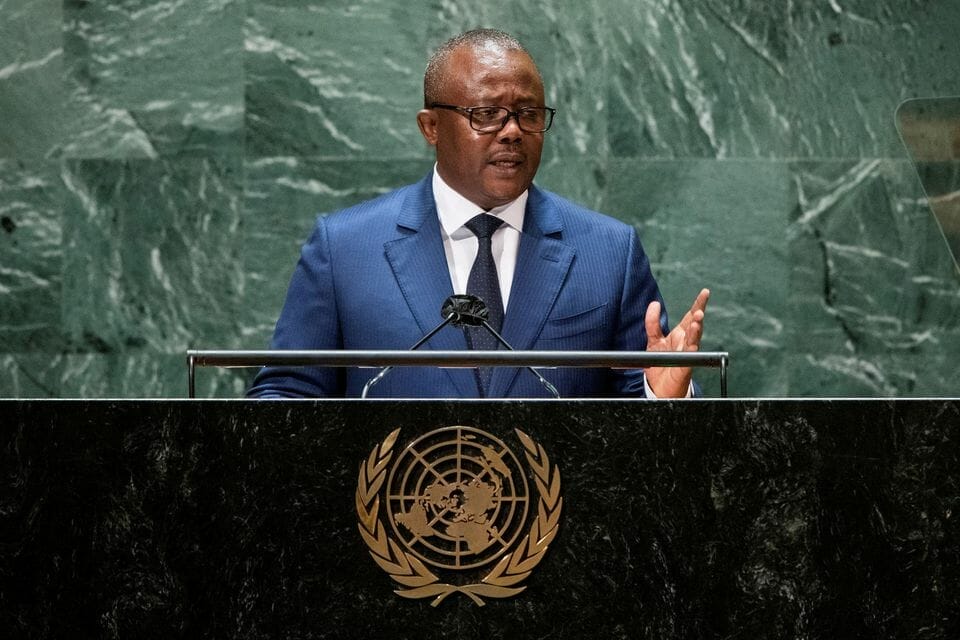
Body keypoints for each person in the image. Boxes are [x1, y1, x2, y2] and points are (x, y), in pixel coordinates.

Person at [247, 28, 709, 399]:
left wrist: (660, 396)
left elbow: (637, 407)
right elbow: (285, 396)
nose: (512, 132)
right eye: (487, 114)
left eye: (529, 114)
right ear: (431, 126)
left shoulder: (608, 252)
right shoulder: (345, 248)